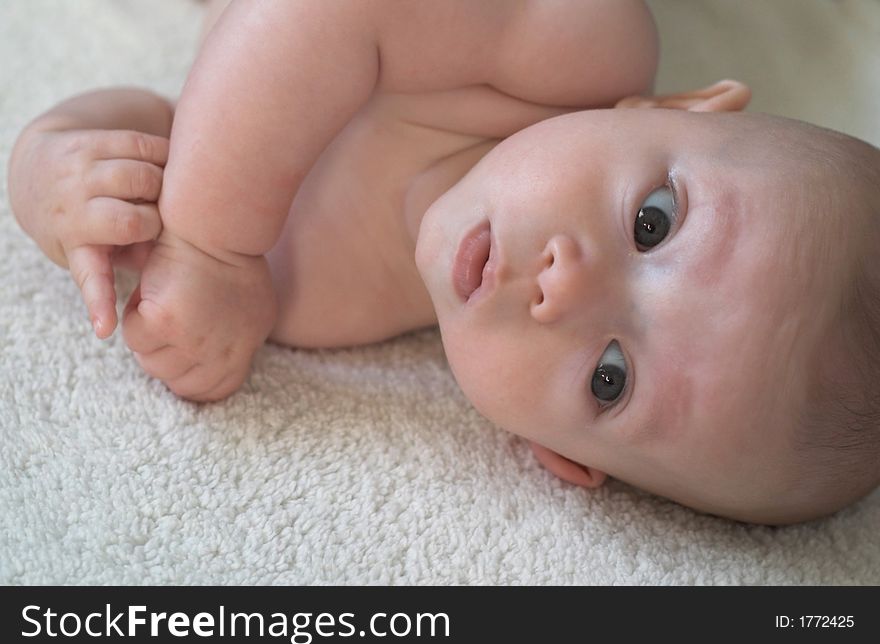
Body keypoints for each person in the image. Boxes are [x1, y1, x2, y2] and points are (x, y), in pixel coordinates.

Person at [8, 0, 880, 525]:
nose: (562, 286)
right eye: (654, 222)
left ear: (556, 454)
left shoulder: (308, 301)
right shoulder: (570, 43)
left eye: (609, 379)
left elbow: (168, 130)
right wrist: (207, 244)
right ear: (680, 107)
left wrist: (55, 167)